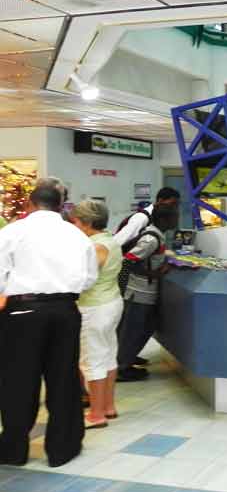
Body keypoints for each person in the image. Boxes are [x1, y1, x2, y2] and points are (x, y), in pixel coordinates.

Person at [0, 183, 98, 467]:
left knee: (18, 379)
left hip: (23, 310)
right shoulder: (77, 236)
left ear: (29, 204)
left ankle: (14, 449)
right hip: (65, 310)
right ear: (59, 206)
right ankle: (62, 448)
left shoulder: (13, 232)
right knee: (64, 378)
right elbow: (89, 279)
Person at [71, 200, 124, 429]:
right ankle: (109, 407)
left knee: (92, 361)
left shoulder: (95, 247)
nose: (74, 226)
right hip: (112, 301)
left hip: (94, 307)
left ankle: (96, 414)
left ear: (86, 223)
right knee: (108, 355)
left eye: (75, 222)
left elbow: (86, 277)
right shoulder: (110, 239)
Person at [116, 204, 178, 382]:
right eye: (174, 216)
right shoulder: (151, 239)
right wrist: (154, 274)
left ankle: (126, 361)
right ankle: (122, 368)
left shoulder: (156, 235)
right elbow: (128, 261)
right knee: (132, 330)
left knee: (143, 327)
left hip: (144, 291)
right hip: (139, 292)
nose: (176, 220)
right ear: (164, 220)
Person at [114, 186, 180, 249]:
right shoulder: (142, 218)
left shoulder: (159, 218)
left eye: (177, 205)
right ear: (160, 201)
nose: (175, 208)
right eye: (173, 204)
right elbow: (116, 243)